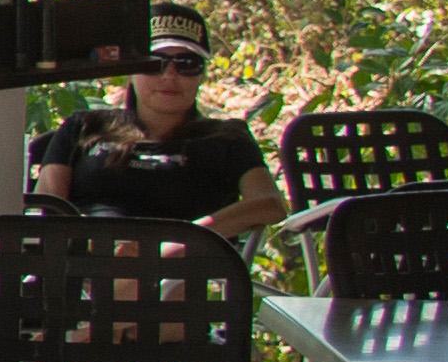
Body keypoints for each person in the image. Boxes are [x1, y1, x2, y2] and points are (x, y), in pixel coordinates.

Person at [28, 23, 283, 238]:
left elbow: (270, 205)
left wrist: (182, 243)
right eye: (154, 62)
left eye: (187, 63)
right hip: (92, 265)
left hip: (184, 273)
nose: (170, 75)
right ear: (129, 70)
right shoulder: (84, 127)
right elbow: (48, 210)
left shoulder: (227, 138)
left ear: (201, 75)